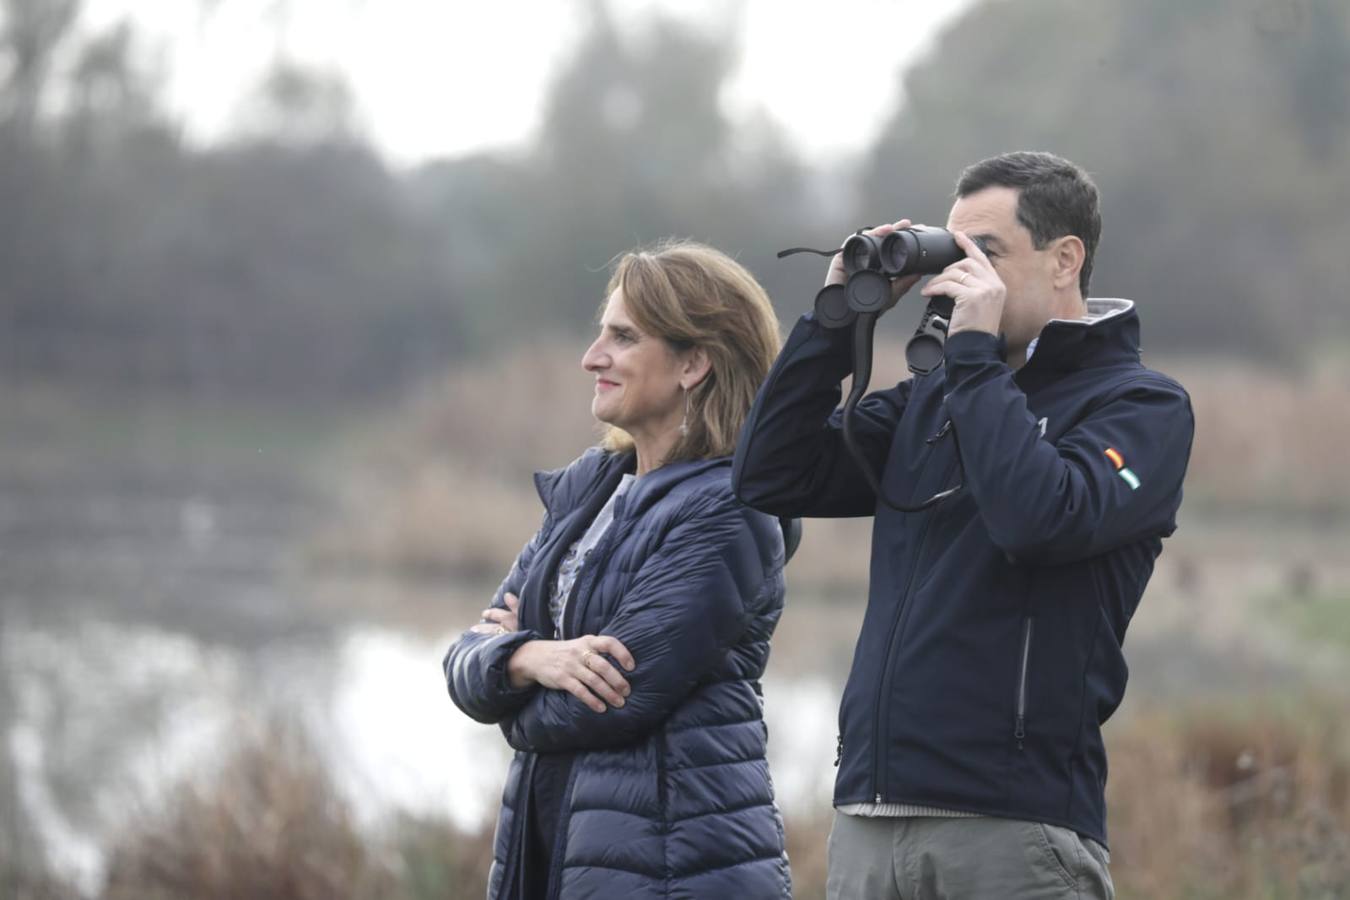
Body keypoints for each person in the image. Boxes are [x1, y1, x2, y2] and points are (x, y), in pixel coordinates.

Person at [732, 151, 1194, 899]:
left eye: (990, 252)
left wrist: (974, 359)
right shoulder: (935, 399)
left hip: (1010, 823)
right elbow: (771, 473)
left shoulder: (1142, 408)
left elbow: (1038, 518)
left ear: (1065, 259)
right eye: (956, 250)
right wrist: (833, 320)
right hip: (868, 813)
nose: (962, 273)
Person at [444, 240, 796, 899]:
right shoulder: (591, 490)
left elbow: (609, 702)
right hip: (558, 854)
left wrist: (508, 686)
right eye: (600, 332)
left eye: (623, 337)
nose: (591, 357)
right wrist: (530, 660)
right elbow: (463, 663)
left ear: (693, 363)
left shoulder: (730, 509)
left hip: (677, 871)